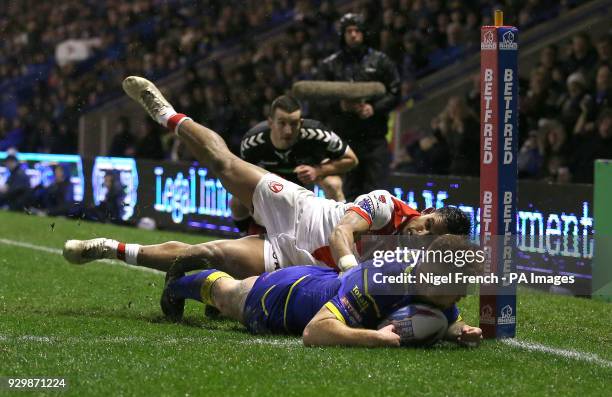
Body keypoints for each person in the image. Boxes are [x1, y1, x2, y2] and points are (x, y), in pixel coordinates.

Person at [63, 76, 470, 280]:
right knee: (222, 166)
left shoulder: (419, 259)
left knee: (208, 255)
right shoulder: (386, 204)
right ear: (426, 212)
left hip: (292, 257)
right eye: (427, 223)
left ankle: (108, 247)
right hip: (296, 205)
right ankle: (165, 112)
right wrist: (350, 274)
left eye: (431, 235)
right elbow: (343, 234)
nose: (422, 233)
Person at [157, 234, 483, 347]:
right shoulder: (383, 283)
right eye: (459, 285)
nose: (463, 294)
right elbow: (315, 331)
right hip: (285, 297)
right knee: (228, 296)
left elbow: (443, 318)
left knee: (230, 293)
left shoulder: (435, 289)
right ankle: (182, 282)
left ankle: (210, 279)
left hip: (324, 281)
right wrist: (376, 338)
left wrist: (458, 330)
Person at [232, 94, 358, 233]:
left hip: (310, 176)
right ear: (270, 123)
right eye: (282, 123)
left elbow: (352, 159)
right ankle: (245, 236)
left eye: (294, 123)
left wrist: (318, 171)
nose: (288, 130)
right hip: (270, 180)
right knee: (236, 201)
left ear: (301, 122)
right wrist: (264, 180)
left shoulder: (318, 134)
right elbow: (241, 176)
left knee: (333, 184)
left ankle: (342, 234)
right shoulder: (252, 143)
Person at [315, 13, 401, 201]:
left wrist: (374, 108)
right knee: (347, 193)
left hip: (374, 139)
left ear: (364, 33)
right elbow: (319, 99)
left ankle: (374, 230)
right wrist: (339, 106)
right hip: (344, 141)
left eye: (357, 30)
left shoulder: (381, 61)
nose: (353, 35)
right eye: (349, 31)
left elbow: (396, 93)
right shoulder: (330, 64)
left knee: (377, 194)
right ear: (343, 34)